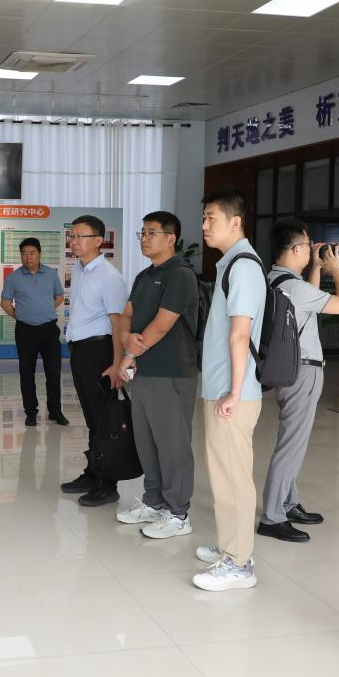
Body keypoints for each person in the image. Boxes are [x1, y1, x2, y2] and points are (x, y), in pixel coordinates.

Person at [257, 218, 339, 543]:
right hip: (304, 371)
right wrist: (337, 271)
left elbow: (308, 302)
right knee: (292, 445)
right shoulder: (296, 289)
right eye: (307, 244)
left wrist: (315, 266)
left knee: (291, 439)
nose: (310, 248)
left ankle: (288, 503)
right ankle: (273, 517)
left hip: (285, 369)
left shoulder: (274, 280)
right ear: (296, 249)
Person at [192, 187, 265, 591]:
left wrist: (234, 392)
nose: (204, 225)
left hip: (233, 392)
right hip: (221, 387)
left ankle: (239, 563)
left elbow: (241, 334)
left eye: (211, 218)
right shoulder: (229, 263)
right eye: (203, 218)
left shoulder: (244, 266)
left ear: (235, 222)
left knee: (234, 476)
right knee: (221, 472)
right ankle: (230, 544)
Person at [116, 211, 200, 538]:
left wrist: (130, 353)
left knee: (172, 443)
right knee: (147, 442)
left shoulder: (180, 275)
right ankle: (154, 502)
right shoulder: (144, 276)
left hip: (172, 372)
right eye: (142, 232)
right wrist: (126, 339)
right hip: (145, 371)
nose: (144, 238)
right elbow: (127, 315)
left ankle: (179, 514)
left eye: (152, 232)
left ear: (171, 238)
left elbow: (162, 325)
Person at [60, 215, 128, 507]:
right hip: (81, 353)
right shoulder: (79, 269)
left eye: (80, 236)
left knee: (104, 419)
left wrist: (116, 363)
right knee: (92, 418)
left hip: (101, 352)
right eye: (72, 235)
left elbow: (118, 323)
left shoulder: (109, 277)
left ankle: (107, 483)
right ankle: (93, 472)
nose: (73, 241)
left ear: (99, 241)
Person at [0, 237, 67, 427]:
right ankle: (31, 412)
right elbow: (5, 303)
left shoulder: (51, 274)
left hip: (49, 330)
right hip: (25, 331)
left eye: (32, 253)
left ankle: (55, 411)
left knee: (53, 372)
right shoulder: (14, 277)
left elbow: (59, 296)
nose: (28, 257)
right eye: (24, 253)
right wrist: (21, 316)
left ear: (39, 254)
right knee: (26, 373)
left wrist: (45, 309)